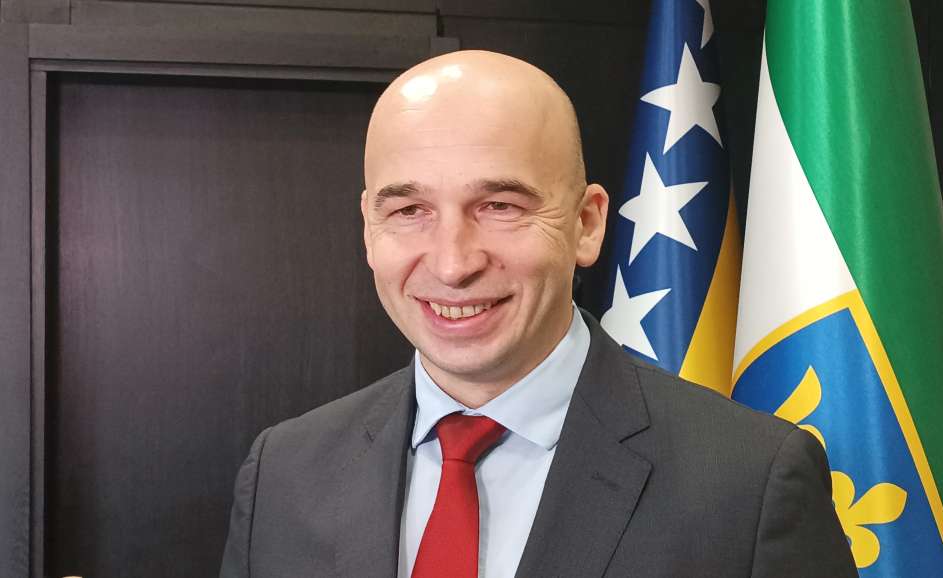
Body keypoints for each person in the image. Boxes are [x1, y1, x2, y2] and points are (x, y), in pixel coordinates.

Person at [219, 50, 856, 578]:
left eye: (499, 206)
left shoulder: (751, 484)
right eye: (409, 211)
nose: (453, 264)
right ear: (368, 228)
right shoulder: (283, 472)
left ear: (587, 224)